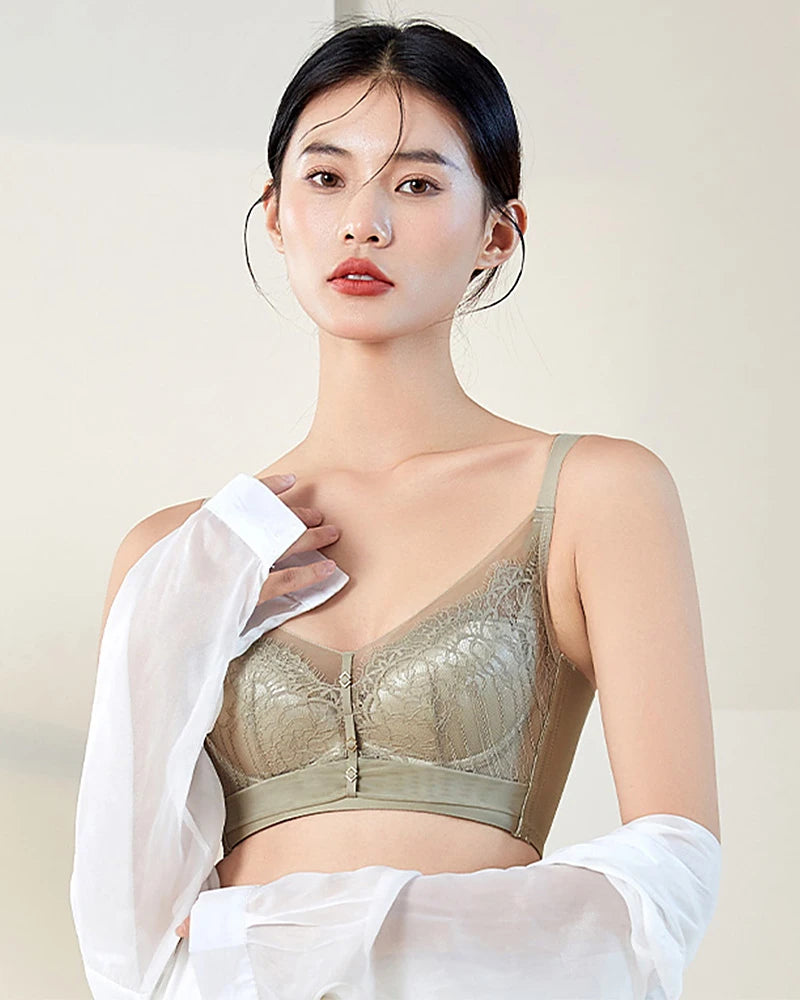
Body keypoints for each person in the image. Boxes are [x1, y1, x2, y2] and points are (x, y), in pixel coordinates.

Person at [70, 16, 722, 1000]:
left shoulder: (594, 493)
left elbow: (671, 869)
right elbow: (122, 927)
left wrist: (312, 928)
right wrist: (177, 624)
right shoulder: (180, 552)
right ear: (275, 213)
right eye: (325, 177)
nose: (362, 223)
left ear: (497, 233)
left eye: (416, 184)